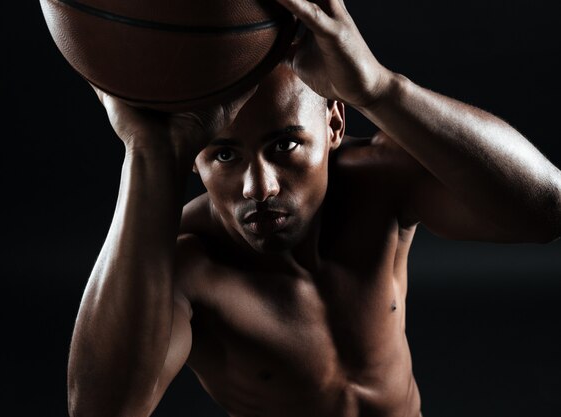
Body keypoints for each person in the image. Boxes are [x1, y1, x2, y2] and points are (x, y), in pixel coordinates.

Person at [66, 1, 561, 416]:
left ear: (335, 125)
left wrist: (380, 89)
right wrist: (147, 153)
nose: (258, 187)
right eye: (224, 155)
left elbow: (546, 209)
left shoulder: (381, 184)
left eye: (284, 146)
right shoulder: (183, 266)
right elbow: (100, 411)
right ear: (194, 160)